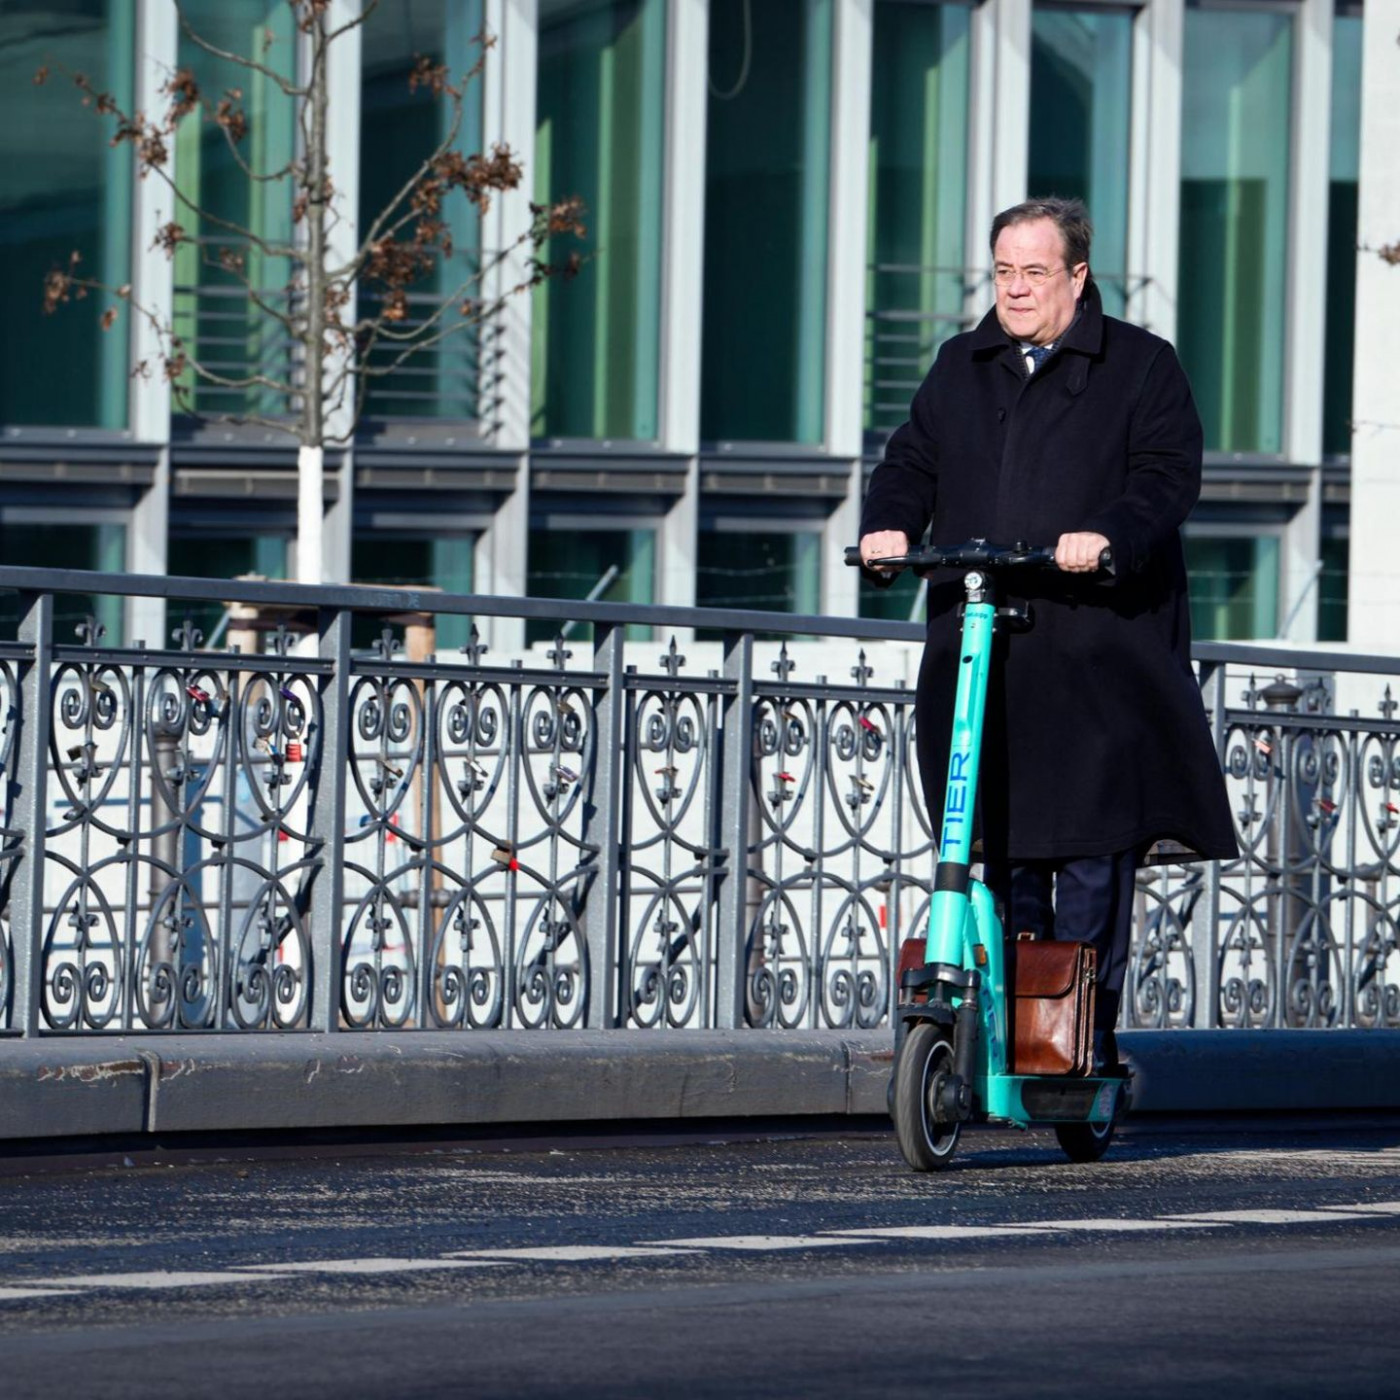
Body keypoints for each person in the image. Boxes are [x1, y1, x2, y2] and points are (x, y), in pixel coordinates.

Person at [859, 196, 1238, 1070]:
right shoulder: (963, 364)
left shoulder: (1141, 365)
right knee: (1001, 843)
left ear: (1078, 276)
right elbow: (912, 462)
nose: (1016, 289)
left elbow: (1167, 477)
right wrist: (888, 528)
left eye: (1034, 271)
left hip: (1094, 652)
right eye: (1002, 271)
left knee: (1095, 854)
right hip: (985, 648)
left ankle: (1078, 1042)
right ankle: (1006, 1030)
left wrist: (1107, 534)